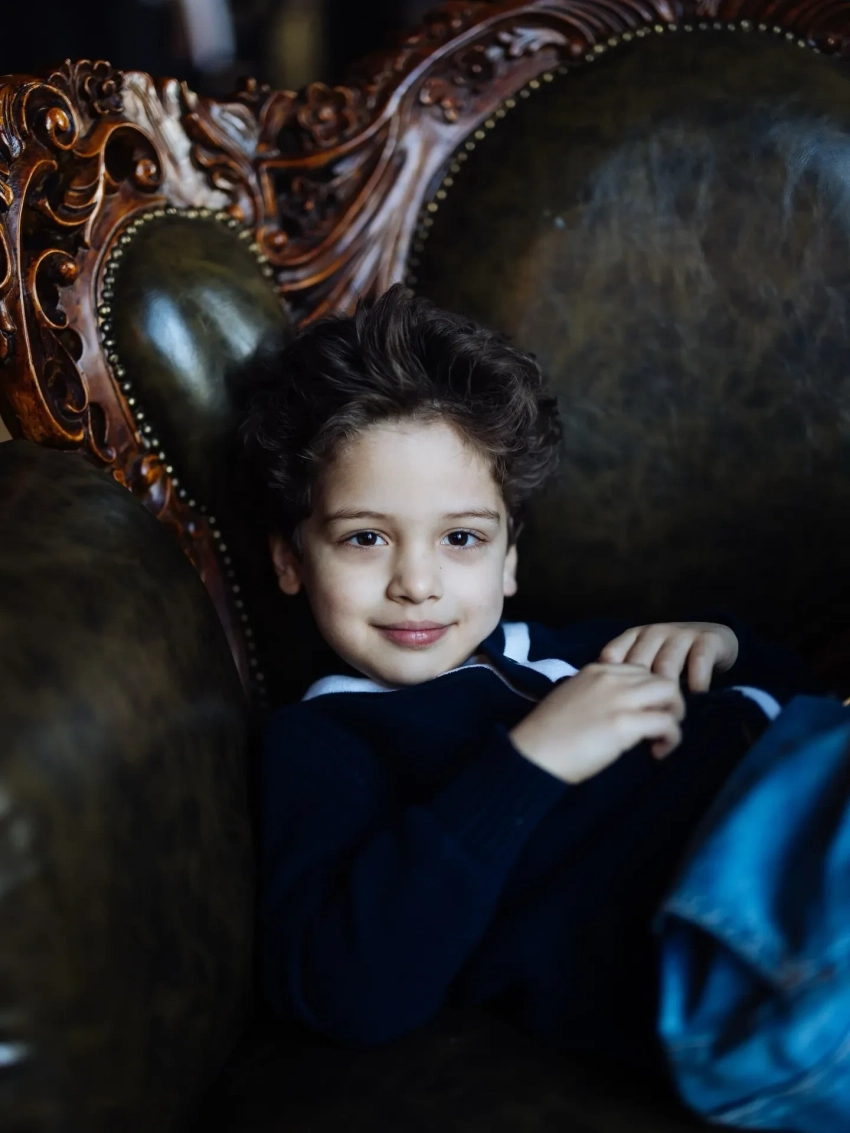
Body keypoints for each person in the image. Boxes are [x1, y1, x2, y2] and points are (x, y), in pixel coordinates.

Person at [241, 284, 816, 1071]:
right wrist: (530, 760)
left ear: (509, 559)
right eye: (366, 537)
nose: (417, 583)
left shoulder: (576, 647)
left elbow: (800, 686)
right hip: (748, 944)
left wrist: (725, 647)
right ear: (290, 559)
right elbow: (348, 989)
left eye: (462, 538)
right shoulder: (322, 744)